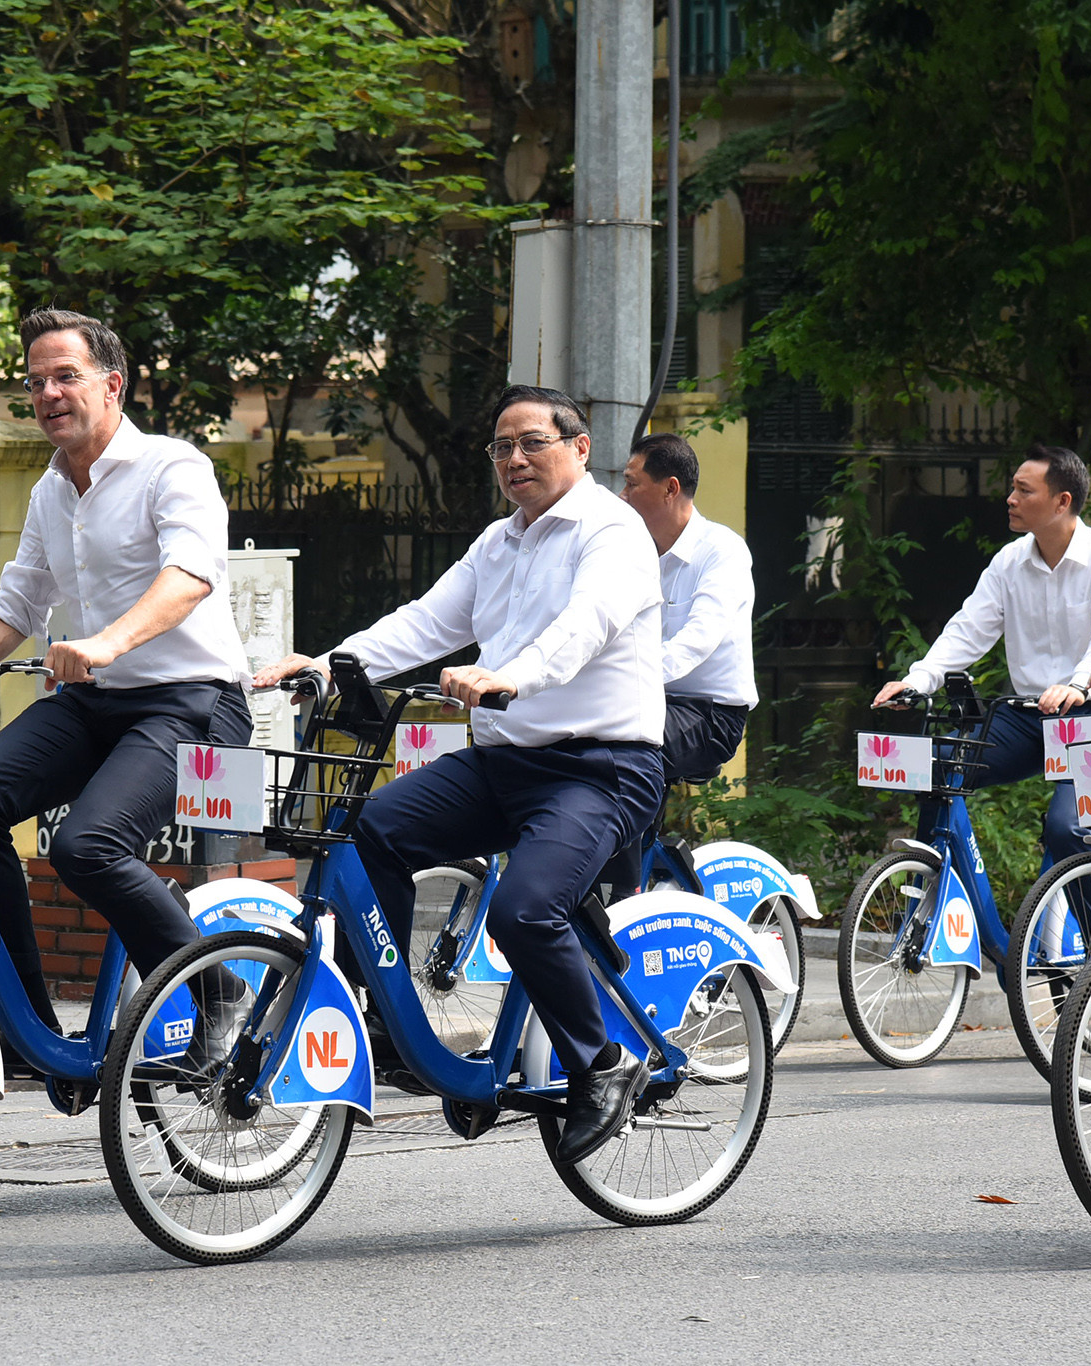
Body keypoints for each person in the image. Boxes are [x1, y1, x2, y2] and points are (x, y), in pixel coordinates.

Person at [256, 384, 664, 1165]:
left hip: (600, 769)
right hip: (503, 762)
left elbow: (586, 626)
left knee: (524, 910)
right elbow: (426, 620)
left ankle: (603, 1065)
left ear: (579, 448)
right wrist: (330, 664)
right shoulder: (498, 542)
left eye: (532, 442)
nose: (515, 459)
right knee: (372, 829)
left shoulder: (612, 533)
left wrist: (510, 674)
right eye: (502, 447)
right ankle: (387, 1018)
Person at [0, 309, 252, 1052]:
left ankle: (220, 992)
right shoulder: (50, 491)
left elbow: (190, 576)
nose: (48, 393)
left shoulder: (173, 468)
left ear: (111, 385)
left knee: (88, 847)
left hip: (191, 703)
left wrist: (108, 642)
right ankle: (27, 1025)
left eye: (66, 377)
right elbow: (18, 601)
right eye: (36, 382)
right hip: (93, 703)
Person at [874, 444, 1091, 867]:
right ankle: (934, 908)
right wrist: (918, 680)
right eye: (1013, 489)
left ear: (1062, 502)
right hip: (1027, 715)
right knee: (937, 772)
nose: (1010, 499)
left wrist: (1078, 684)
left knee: (1066, 828)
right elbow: (968, 630)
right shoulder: (1009, 562)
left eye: (1024, 491)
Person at [619, 432, 757, 783]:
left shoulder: (723, 550)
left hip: (710, 715)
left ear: (670, 489)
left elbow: (697, 639)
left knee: (613, 747)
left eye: (631, 485)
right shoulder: (632, 554)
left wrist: (629, 682)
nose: (622, 497)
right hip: (647, 702)